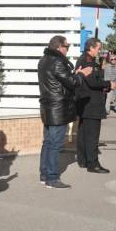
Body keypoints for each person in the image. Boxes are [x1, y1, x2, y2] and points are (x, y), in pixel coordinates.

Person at [37, 36, 91, 188]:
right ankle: (52, 178)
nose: (67, 49)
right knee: (54, 144)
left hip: (48, 108)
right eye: (66, 46)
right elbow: (72, 83)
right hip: (57, 109)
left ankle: (44, 174)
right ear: (59, 47)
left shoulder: (44, 60)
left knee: (48, 142)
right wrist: (81, 74)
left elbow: (62, 81)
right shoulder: (57, 62)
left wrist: (75, 74)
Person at [76, 38, 115, 173]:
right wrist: (109, 84)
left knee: (83, 134)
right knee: (92, 135)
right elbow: (93, 82)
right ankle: (93, 163)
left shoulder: (85, 59)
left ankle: (83, 160)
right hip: (91, 105)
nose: (99, 51)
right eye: (98, 48)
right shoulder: (87, 61)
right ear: (91, 48)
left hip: (85, 103)